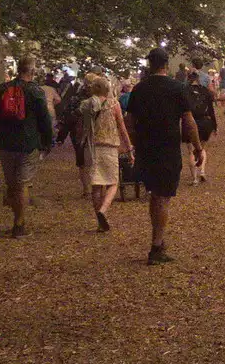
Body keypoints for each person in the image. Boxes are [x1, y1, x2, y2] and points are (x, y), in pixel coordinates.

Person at [126, 48, 205, 264]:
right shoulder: (176, 88)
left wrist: (133, 144)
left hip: (146, 147)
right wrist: (198, 147)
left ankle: (158, 242)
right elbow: (188, 121)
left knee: (156, 194)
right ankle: (156, 247)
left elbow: (129, 122)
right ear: (166, 64)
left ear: (150, 64)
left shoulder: (139, 89)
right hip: (167, 147)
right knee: (162, 197)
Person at [0, 57, 55, 237]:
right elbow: (44, 120)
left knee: (12, 182)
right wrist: (48, 141)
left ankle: (16, 215)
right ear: (32, 71)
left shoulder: (3, 88)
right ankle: (19, 223)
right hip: (28, 142)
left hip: (5, 141)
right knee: (23, 183)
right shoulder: (36, 91)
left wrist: (7, 121)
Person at [77, 74, 132, 232]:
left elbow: (82, 125)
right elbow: (121, 127)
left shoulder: (86, 105)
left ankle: (100, 222)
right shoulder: (114, 104)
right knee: (113, 182)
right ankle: (103, 210)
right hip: (109, 146)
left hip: (92, 147)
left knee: (96, 185)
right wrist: (129, 147)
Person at [185, 70, 218, 183]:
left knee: (191, 150)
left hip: (189, 122)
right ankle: (202, 171)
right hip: (204, 122)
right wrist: (214, 126)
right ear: (198, 79)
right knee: (201, 148)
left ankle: (194, 178)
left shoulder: (184, 92)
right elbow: (211, 110)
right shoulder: (205, 91)